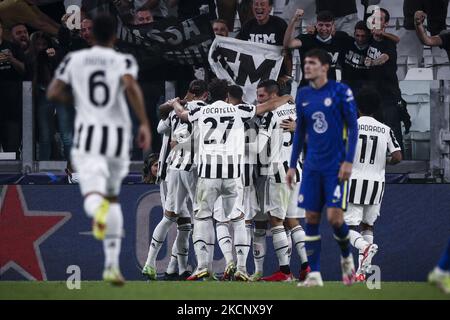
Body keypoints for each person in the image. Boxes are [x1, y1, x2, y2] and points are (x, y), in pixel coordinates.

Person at [47, 14, 152, 285]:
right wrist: (142, 123)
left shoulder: (76, 60)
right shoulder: (122, 60)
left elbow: (54, 92)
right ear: (113, 37)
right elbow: (133, 93)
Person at [171, 78, 293, 280]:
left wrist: (175, 103)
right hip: (232, 173)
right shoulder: (238, 110)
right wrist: (286, 97)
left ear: (209, 96)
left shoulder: (201, 111)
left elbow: (181, 114)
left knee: (202, 217)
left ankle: (202, 265)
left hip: (208, 172)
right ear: (227, 96)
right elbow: (267, 106)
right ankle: (243, 268)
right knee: (238, 218)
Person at [286, 48, 358, 287]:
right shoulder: (303, 94)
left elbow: (354, 128)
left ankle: (347, 255)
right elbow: (300, 132)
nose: (307, 67)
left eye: (312, 63)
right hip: (312, 167)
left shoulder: (341, 92)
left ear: (325, 67)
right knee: (311, 218)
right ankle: (315, 275)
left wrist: (348, 161)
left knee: (335, 219)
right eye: (305, 63)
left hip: (335, 166)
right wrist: (291, 165)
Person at [142, 80, 207, 281]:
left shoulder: (174, 111)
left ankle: (154, 264)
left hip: (173, 168)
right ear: (205, 95)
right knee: (199, 219)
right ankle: (200, 268)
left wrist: (174, 104)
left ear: (190, 92)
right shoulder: (206, 110)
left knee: (173, 218)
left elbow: (162, 127)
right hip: (193, 168)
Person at [252, 80, 310, 282]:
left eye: (261, 96)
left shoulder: (270, 114)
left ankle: (284, 272)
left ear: (272, 95)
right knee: (292, 220)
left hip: (278, 171)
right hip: (298, 171)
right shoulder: (298, 110)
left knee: (276, 220)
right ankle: (306, 267)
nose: (258, 100)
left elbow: (257, 147)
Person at [346, 87, 402, 282]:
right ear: (377, 106)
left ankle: (364, 248)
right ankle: (363, 272)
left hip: (354, 181)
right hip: (377, 183)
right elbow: (397, 156)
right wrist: (382, 161)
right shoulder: (385, 129)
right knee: (367, 226)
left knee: (347, 229)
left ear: (356, 106)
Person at [365, 8, 404, 152]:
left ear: (386, 23)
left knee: (392, 126)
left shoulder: (389, 42)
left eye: (380, 19)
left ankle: (398, 161)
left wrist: (373, 62)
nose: (375, 21)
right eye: (373, 18)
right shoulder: (366, 37)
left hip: (389, 92)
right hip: (370, 92)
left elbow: (385, 57)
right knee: (371, 127)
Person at [284, 9, 351, 87]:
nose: (324, 28)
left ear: (333, 26)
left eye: (328, 25)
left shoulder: (340, 39)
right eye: (321, 25)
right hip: (307, 89)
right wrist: (294, 20)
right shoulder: (307, 39)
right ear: (316, 24)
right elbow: (288, 44)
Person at [237, 0, 292, 94]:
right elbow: (236, 47)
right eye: (256, 4)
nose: (259, 7)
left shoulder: (279, 24)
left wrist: (287, 75)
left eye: (262, 4)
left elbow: (287, 51)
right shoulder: (247, 26)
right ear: (252, 7)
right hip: (254, 81)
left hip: (278, 79)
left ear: (270, 8)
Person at [0, 18, 25, 157]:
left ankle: (13, 178)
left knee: (12, 149)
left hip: (12, 105)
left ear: (2, 30)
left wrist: (12, 59)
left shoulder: (12, 47)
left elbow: (24, 70)